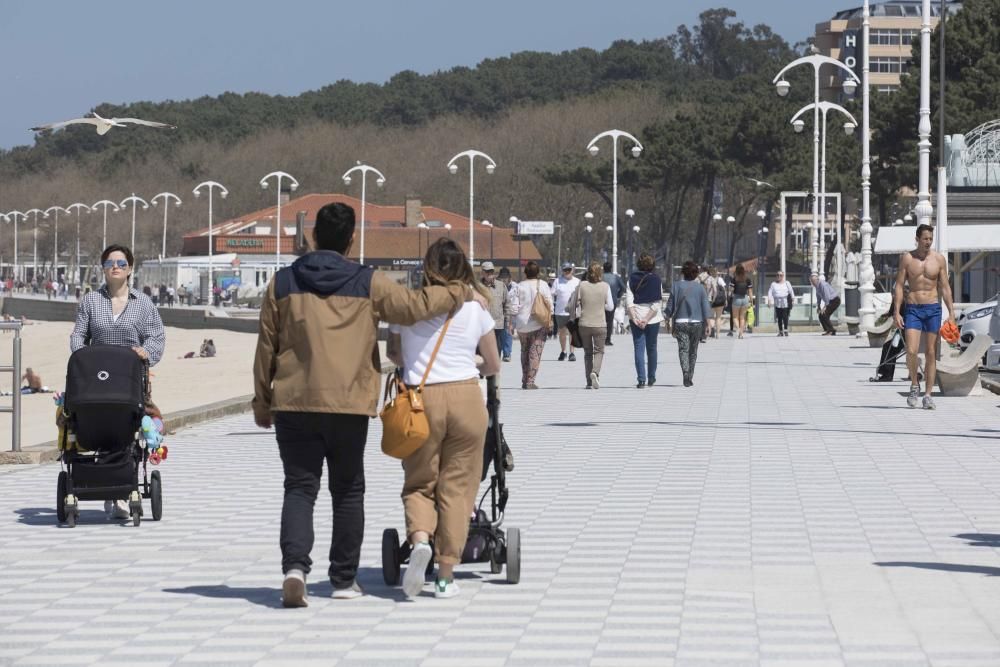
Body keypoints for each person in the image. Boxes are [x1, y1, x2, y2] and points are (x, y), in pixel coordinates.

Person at [252, 202, 482, 607]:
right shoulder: (368, 282)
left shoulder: (282, 283)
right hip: (349, 405)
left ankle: (295, 569)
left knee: (300, 488)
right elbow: (414, 309)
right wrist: (455, 290)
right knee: (347, 491)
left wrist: (262, 401)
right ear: (352, 239)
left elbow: (266, 347)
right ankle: (343, 580)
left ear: (312, 237)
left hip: (294, 403)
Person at [386, 238, 500, 600]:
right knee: (457, 490)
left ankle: (420, 539)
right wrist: (472, 363)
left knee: (420, 482)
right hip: (467, 397)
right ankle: (445, 576)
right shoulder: (476, 308)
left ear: (427, 267)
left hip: (422, 400)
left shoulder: (405, 307)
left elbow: (395, 356)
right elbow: (494, 364)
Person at [70, 244, 165, 521]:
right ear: (103, 268)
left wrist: (146, 352)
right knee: (97, 425)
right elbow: (78, 335)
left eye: (122, 263)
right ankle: (107, 486)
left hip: (129, 379)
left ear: (130, 269)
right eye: (110, 263)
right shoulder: (91, 301)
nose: (116, 267)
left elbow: (157, 336)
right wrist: (81, 356)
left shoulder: (143, 303)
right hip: (96, 378)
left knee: (127, 430)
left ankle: (122, 491)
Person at [892, 223, 956, 410]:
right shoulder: (907, 259)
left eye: (930, 239)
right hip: (913, 308)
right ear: (917, 238)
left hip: (932, 309)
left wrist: (951, 312)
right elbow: (898, 285)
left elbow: (945, 287)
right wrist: (897, 311)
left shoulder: (938, 260)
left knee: (930, 353)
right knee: (911, 350)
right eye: (925, 238)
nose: (928, 242)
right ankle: (914, 384)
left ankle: (927, 395)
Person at [566, 262, 614, 389]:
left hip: (584, 324)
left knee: (588, 352)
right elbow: (610, 307)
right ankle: (595, 372)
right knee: (599, 351)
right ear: (600, 273)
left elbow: (573, 303)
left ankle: (588, 381)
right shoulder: (605, 286)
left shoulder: (582, 285)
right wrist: (600, 305)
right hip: (600, 324)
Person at [668, 261, 713, 387]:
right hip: (697, 323)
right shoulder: (700, 288)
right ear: (696, 274)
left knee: (683, 349)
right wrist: (709, 324)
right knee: (693, 350)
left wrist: (666, 317)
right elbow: (705, 307)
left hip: (680, 323)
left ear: (683, 272)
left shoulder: (676, 286)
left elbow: (670, 306)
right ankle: (690, 375)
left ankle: (685, 373)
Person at [625, 253, 663, 388]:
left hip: (636, 318)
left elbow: (629, 301)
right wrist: (646, 319)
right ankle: (651, 377)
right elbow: (657, 302)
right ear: (652, 265)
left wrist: (635, 318)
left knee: (638, 348)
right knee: (652, 348)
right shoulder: (657, 280)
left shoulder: (632, 279)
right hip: (653, 319)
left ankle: (641, 379)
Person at [513, 261, 553, 390]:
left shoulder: (519, 286)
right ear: (538, 273)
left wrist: (512, 321)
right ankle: (530, 381)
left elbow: (513, 307)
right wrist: (549, 320)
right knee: (535, 352)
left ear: (525, 273)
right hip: (538, 323)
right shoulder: (543, 285)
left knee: (524, 350)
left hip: (522, 324)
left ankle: (524, 379)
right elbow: (550, 305)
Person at [480, 261, 512, 363]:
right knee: (482, 350)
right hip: (482, 325)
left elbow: (507, 304)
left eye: (491, 271)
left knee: (497, 349)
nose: (490, 274)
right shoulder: (477, 286)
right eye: (487, 272)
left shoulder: (501, 286)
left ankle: (493, 373)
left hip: (498, 324)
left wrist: (507, 322)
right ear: (483, 273)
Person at [551, 262, 580, 361]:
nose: (567, 272)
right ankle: (563, 351)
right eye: (565, 270)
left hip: (573, 312)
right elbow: (552, 294)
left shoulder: (577, 281)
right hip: (560, 311)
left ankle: (572, 353)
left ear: (572, 270)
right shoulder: (557, 281)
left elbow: (581, 296)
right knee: (562, 332)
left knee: (572, 332)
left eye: (569, 270)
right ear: (562, 271)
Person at [602, 261, 626, 346]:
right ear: (611, 268)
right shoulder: (616, 277)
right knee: (609, 320)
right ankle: (607, 339)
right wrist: (618, 295)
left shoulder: (600, 277)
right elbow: (623, 288)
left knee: (601, 320)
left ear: (603, 268)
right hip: (613, 301)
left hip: (600, 301)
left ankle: (601, 338)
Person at [768, 271, 795, 336]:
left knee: (785, 316)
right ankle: (780, 331)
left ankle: (785, 330)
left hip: (785, 301)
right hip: (777, 302)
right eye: (777, 275)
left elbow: (791, 291)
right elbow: (770, 292)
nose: (779, 276)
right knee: (779, 317)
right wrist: (769, 300)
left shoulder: (787, 283)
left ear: (783, 276)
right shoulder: (773, 284)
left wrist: (793, 299)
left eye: (780, 275)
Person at [730, 265, 753, 339]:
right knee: (742, 318)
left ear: (736, 271)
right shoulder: (747, 279)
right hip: (745, 298)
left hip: (736, 298)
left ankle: (739, 330)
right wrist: (751, 301)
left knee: (735, 317)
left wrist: (729, 293)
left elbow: (731, 290)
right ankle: (741, 334)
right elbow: (750, 291)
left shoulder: (734, 279)